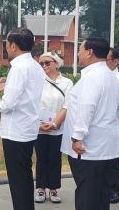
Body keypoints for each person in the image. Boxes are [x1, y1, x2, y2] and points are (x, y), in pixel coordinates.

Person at [60, 37, 119, 210]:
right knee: (100, 192)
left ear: (89, 52)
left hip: (89, 147)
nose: (78, 53)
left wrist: (77, 137)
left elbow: (87, 108)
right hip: (103, 145)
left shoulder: (93, 77)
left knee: (88, 193)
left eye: (80, 49)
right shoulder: (109, 75)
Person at [0, 28, 45, 210]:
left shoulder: (18, 67)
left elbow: (10, 102)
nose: (6, 47)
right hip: (28, 128)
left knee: (18, 179)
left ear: (13, 45)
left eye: (7, 43)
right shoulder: (35, 65)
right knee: (25, 175)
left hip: (15, 131)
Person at [34, 52, 73, 204]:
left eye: (47, 63)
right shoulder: (38, 81)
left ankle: (54, 188)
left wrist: (55, 123)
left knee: (55, 158)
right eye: (41, 63)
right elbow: (32, 103)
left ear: (56, 63)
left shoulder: (67, 83)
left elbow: (67, 105)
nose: (44, 66)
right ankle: (41, 188)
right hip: (40, 127)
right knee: (41, 157)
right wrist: (39, 124)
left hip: (59, 127)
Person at [105, 47, 119, 204]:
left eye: (106, 60)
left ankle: (114, 190)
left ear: (115, 62)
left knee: (113, 158)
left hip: (115, 124)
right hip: (97, 125)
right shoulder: (95, 76)